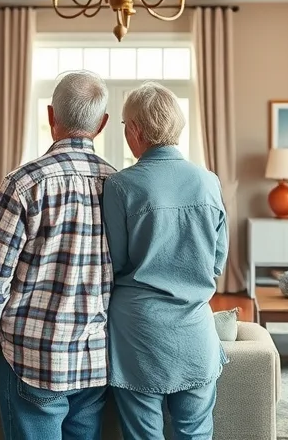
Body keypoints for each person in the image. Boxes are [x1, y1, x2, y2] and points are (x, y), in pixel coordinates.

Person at [0, 70, 116, 440]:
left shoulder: (23, 183)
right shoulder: (120, 185)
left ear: (51, 117)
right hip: (95, 358)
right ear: (102, 124)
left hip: (32, 356)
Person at [102, 81, 228, 440]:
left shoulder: (121, 185)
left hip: (138, 331)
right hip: (194, 329)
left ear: (137, 130)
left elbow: (115, 261)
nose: (125, 132)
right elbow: (218, 259)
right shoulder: (209, 182)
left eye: (125, 124)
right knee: (196, 433)